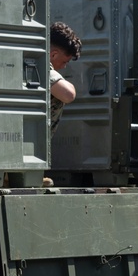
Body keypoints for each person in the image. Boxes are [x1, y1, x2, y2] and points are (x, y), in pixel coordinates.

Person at [43, 22, 82, 187]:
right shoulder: (42, 66)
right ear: (53, 55)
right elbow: (68, 94)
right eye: (65, 61)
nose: (65, 66)